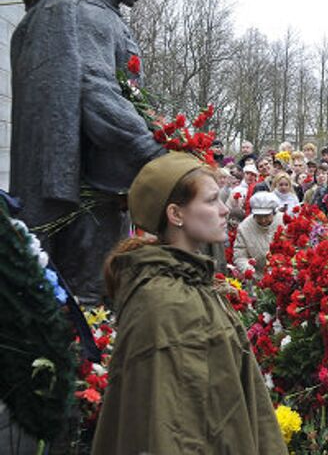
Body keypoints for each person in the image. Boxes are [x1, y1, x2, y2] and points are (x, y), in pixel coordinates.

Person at [92, 152, 286, 454]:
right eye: (210, 201)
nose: (224, 210)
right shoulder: (165, 302)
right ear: (176, 214)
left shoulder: (193, 282)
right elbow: (174, 428)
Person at [9, 0, 167, 303]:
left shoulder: (105, 16)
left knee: (98, 288)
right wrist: (146, 144)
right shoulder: (89, 16)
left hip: (102, 183)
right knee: (89, 294)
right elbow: (94, 89)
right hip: (87, 189)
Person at [233, 192, 282, 277]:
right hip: (258, 276)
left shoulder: (283, 221)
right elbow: (240, 256)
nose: (263, 220)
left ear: (273, 213)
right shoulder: (244, 228)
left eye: (266, 216)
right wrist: (249, 270)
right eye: (259, 216)